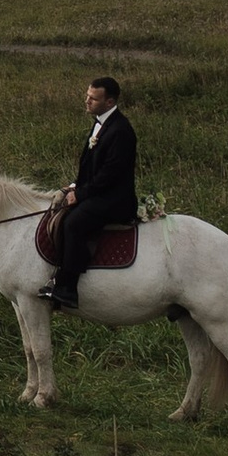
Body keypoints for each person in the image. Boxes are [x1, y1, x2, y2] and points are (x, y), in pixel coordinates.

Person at [46, 74, 138, 313]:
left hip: (115, 199)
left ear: (109, 102)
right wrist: (75, 186)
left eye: (93, 99)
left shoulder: (120, 130)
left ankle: (68, 288)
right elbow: (91, 166)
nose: (87, 101)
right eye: (87, 96)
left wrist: (82, 194)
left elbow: (111, 174)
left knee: (75, 222)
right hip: (101, 192)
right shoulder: (101, 122)